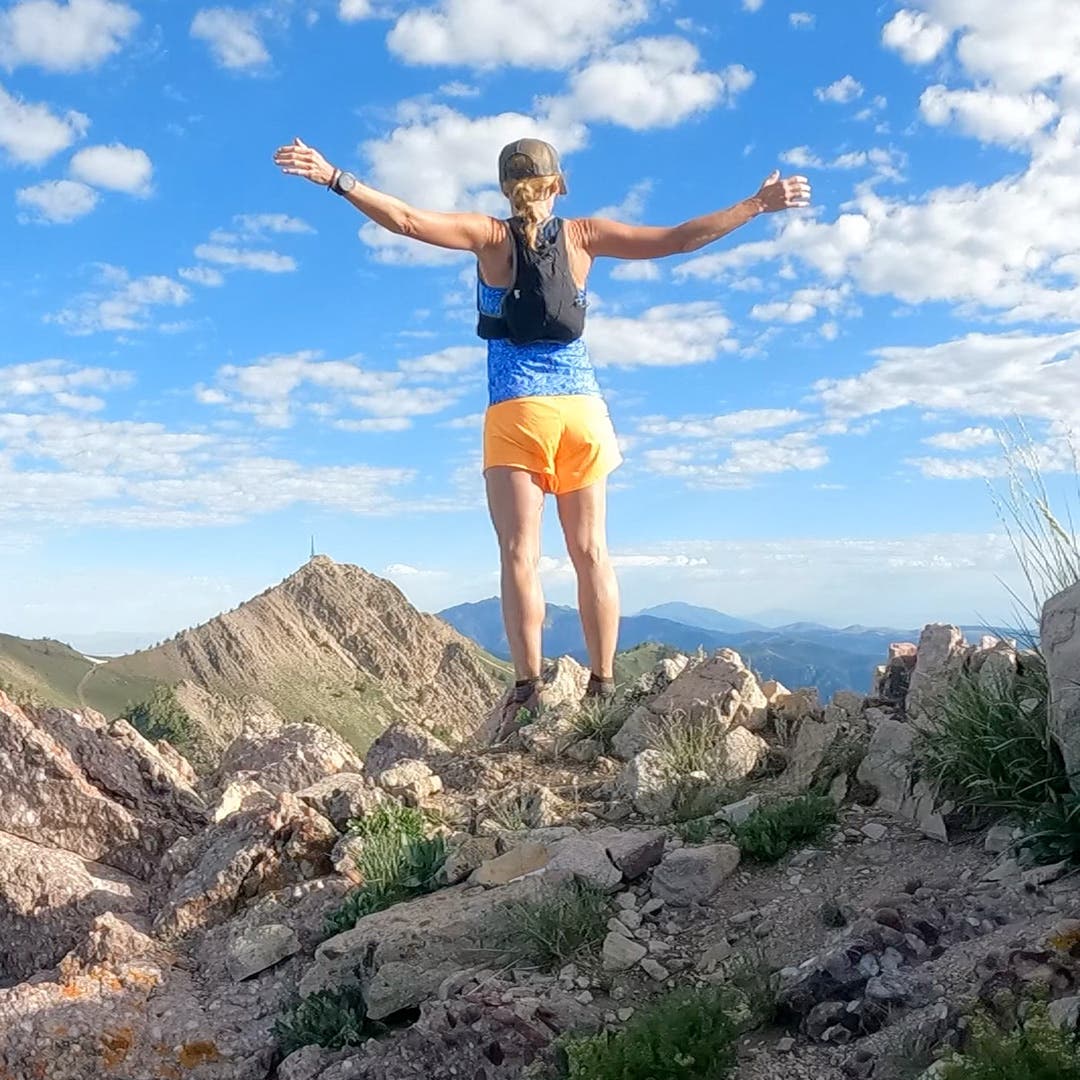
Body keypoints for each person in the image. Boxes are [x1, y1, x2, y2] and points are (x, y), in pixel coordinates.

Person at [274, 135, 810, 734]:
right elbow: (679, 239)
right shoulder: (585, 237)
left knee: (520, 556)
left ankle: (527, 689)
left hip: (517, 413)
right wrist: (758, 204)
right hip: (582, 413)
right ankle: (604, 687)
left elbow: (405, 220)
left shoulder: (490, 238)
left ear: (507, 188)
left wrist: (334, 176)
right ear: (558, 183)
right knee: (592, 554)